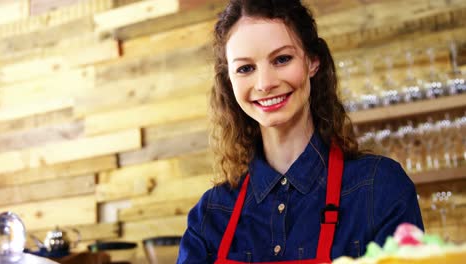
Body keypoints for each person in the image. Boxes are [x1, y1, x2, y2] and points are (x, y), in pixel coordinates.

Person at [177, 0, 424, 263]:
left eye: (282, 59)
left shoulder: (379, 187)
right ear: (230, 80)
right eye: (245, 68)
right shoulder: (211, 214)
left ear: (312, 62)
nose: (264, 84)